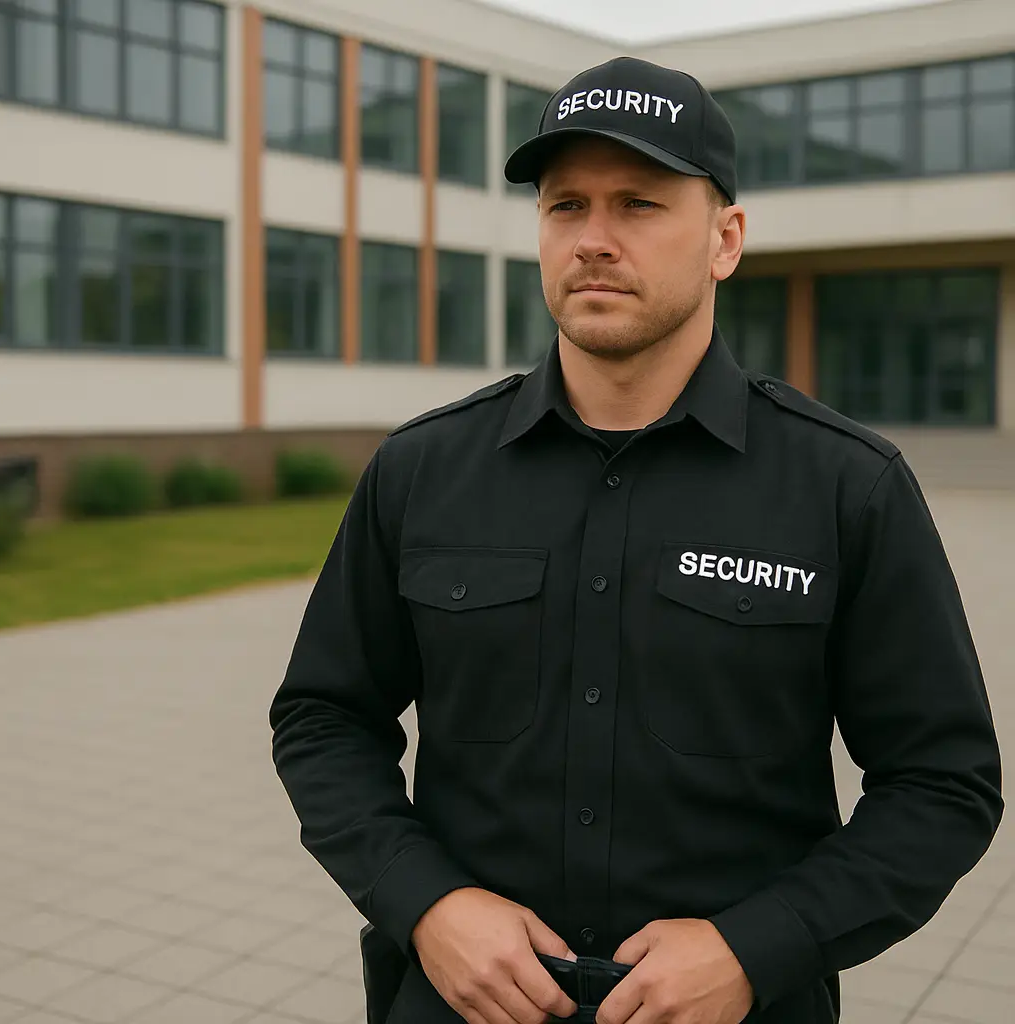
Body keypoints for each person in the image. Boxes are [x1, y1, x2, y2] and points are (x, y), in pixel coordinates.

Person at [269, 56, 1003, 1024]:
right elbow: (324, 719)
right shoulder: (422, 470)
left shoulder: (844, 487)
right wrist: (428, 902)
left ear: (724, 239)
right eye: (565, 205)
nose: (593, 240)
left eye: (640, 204)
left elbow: (942, 784)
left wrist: (759, 943)